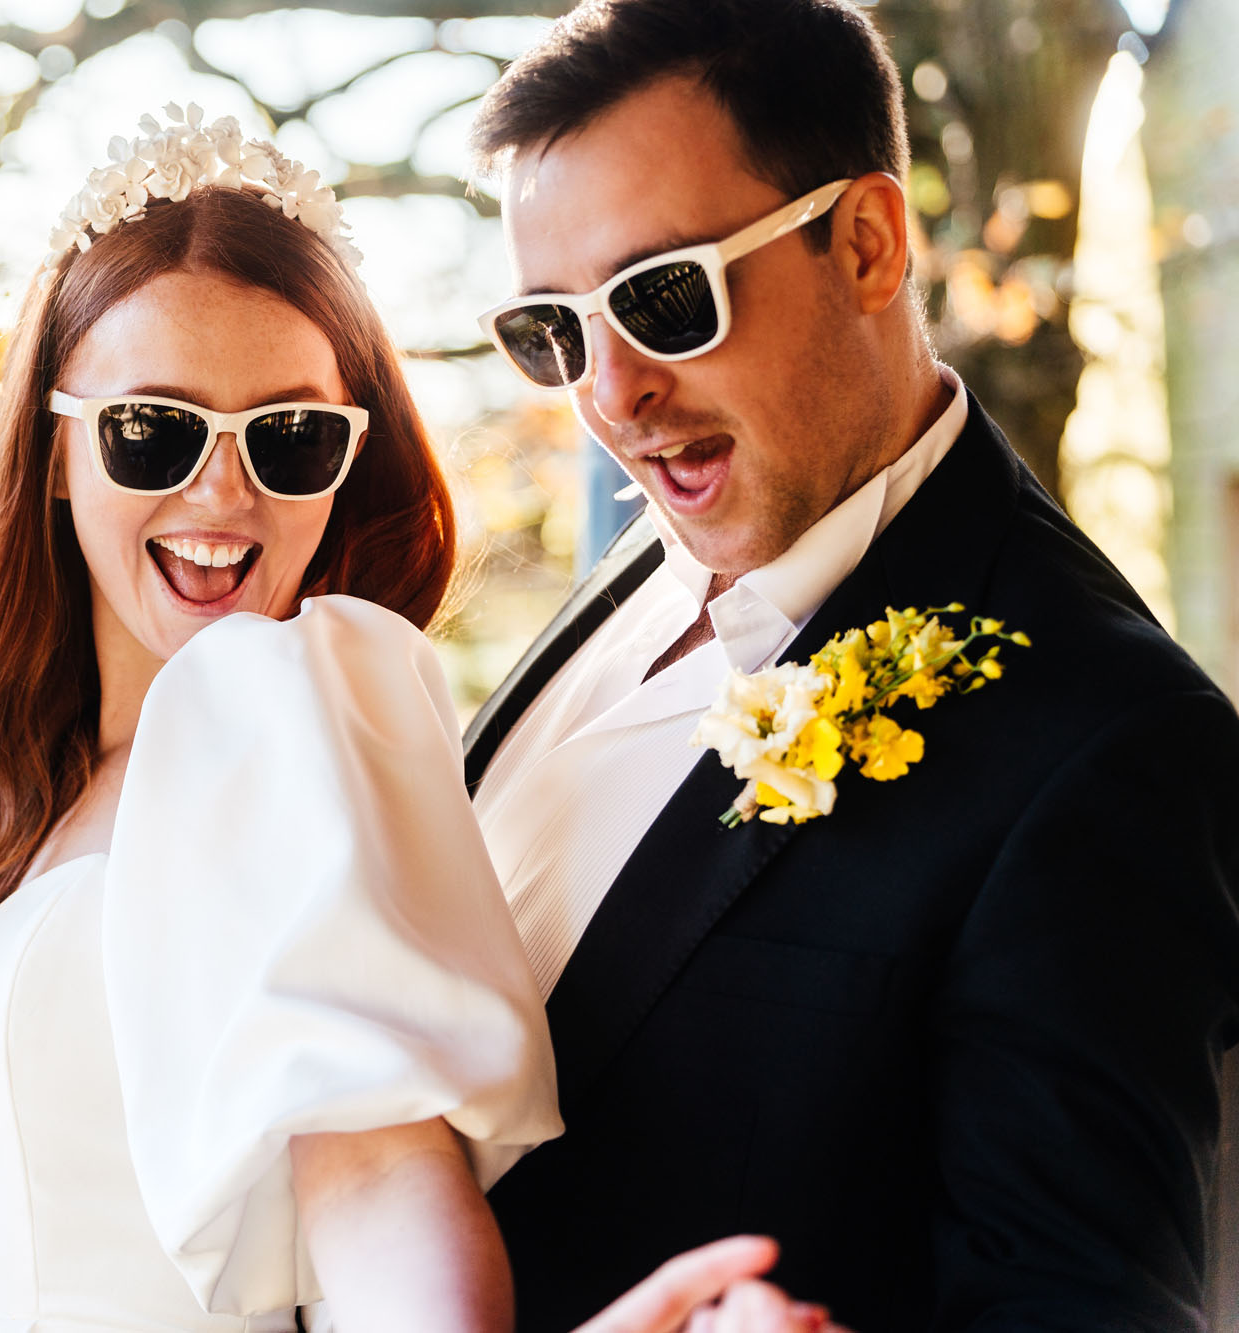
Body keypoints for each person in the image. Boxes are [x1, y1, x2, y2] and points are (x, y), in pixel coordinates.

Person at [0, 111, 842, 1333]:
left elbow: (373, 1175)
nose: (222, 491)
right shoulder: (5, 788)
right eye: (152, 431)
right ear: (52, 452)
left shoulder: (287, 713)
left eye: (290, 438)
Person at [463, 1, 1239, 1329]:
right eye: (555, 330)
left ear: (867, 242)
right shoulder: (640, 568)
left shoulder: (1112, 743)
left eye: (663, 298)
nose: (611, 393)